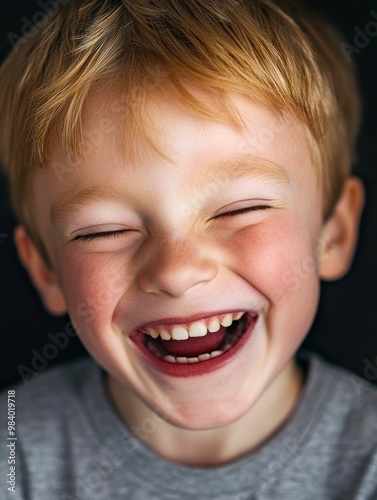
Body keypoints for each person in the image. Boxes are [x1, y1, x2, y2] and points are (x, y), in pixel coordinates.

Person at [0, 0, 376, 498]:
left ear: (334, 233)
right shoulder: (13, 455)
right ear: (46, 269)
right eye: (103, 231)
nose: (176, 270)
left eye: (238, 210)